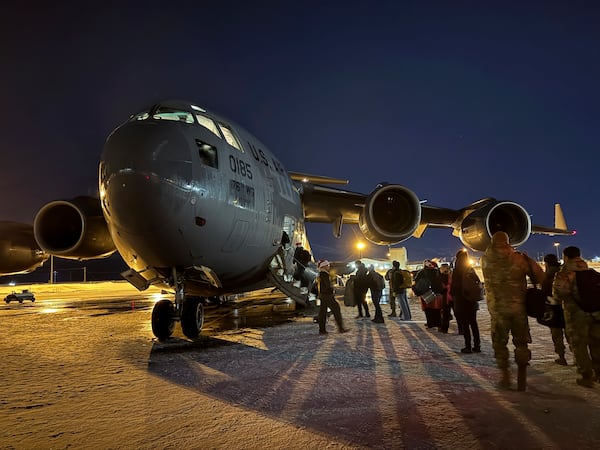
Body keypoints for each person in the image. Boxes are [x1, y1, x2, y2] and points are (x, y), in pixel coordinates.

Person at [482, 231, 545, 391]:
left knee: (499, 343)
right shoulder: (518, 259)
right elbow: (540, 276)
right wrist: (527, 259)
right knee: (521, 343)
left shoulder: (485, 259)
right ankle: (521, 377)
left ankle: (505, 376)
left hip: (497, 310)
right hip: (518, 309)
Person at [553, 246, 600, 387]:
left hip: (576, 315)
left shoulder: (565, 273)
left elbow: (559, 294)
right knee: (597, 344)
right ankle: (599, 373)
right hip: (595, 313)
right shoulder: (589, 270)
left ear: (566, 257)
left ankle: (586, 376)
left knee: (579, 346)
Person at [450, 250, 481, 353]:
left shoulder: (457, 270)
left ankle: (468, 346)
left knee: (465, 325)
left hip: (461, 300)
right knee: (473, 323)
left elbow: (454, 287)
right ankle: (477, 346)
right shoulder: (470, 269)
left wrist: (453, 295)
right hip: (472, 300)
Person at [542, 253, 570, 365]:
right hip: (567, 308)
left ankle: (561, 356)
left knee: (557, 335)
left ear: (547, 263)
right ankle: (577, 357)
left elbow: (544, 292)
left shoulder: (548, 276)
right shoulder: (563, 272)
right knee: (570, 334)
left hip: (553, 309)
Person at [313, 260, 349, 335]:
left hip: (323, 295)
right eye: (327, 265)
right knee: (336, 309)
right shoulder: (324, 275)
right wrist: (332, 290)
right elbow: (326, 286)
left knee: (323, 312)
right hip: (327, 295)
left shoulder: (320, 275)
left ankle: (322, 330)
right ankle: (341, 328)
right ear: (324, 266)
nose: (329, 267)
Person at [413, 260, 443, 329]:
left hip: (425, 292)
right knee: (437, 308)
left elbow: (416, 280)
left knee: (428, 309)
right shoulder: (437, 271)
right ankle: (438, 323)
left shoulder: (422, 272)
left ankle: (430, 323)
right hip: (436, 292)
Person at [439, 263, 453, 333]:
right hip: (453, 296)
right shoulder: (452, 275)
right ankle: (461, 329)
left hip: (446, 297)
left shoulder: (441, 276)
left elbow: (440, 288)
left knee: (445, 313)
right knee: (457, 313)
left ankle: (444, 329)